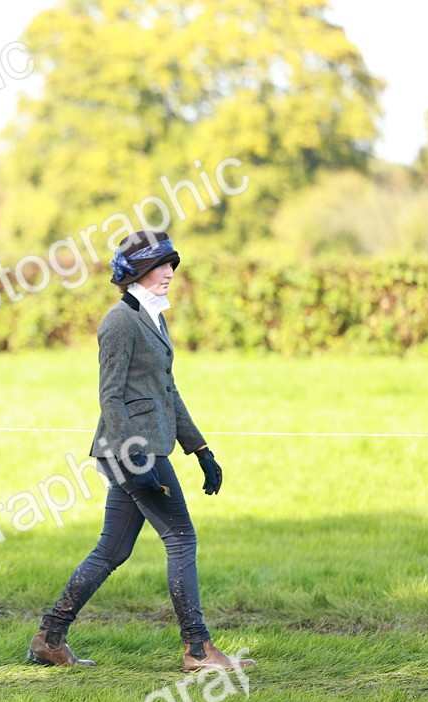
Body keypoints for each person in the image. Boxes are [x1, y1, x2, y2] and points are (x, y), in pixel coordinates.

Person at [27, 230, 256, 673]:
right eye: (161, 265)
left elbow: (166, 389)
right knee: (181, 538)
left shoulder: (153, 317)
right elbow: (110, 397)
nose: (170, 272)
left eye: (172, 264)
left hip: (144, 450)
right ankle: (197, 650)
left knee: (111, 551)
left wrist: (200, 449)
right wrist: (134, 456)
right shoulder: (118, 322)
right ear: (135, 272)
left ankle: (49, 639)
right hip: (131, 452)